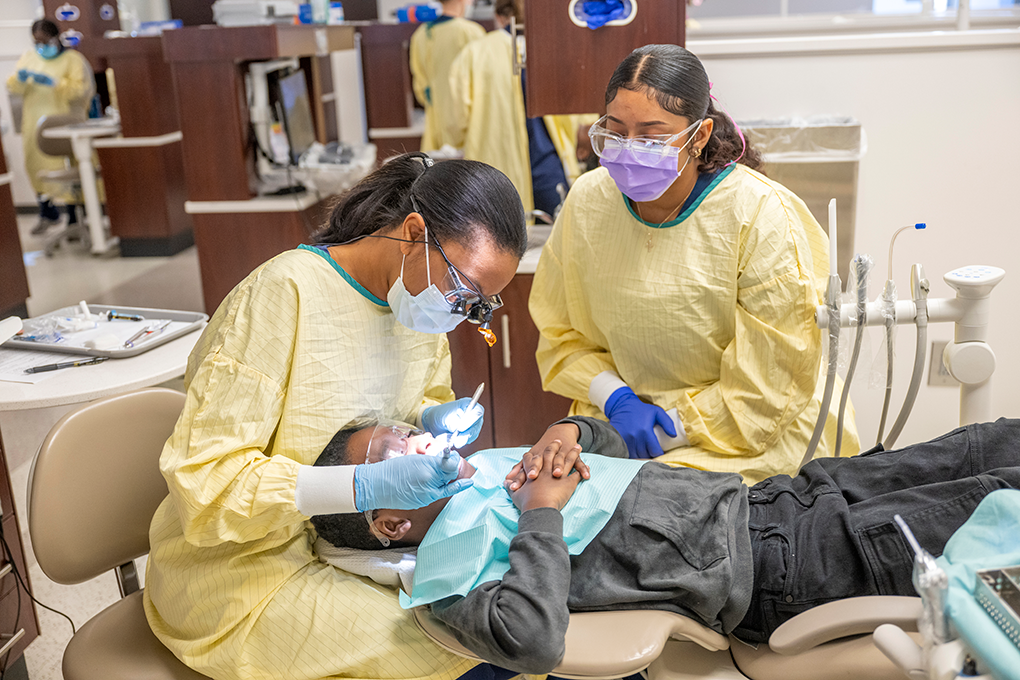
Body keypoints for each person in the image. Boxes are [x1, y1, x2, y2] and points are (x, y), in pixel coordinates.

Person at [143, 153, 528, 680]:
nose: (461, 312)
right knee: (464, 648)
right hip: (245, 574)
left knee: (508, 612)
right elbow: (205, 486)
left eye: (479, 305)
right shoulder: (284, 295)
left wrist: (433, 418)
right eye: (463, 292)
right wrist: (359, 486)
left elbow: (415, 399)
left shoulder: (416, 306)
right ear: (415, 233)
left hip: (350, 549)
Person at [312, 417, 1020, 675]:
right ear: (390, 522)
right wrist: (542, 514)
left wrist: (571, 432)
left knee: (991, 444)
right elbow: (528, 639)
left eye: (404, 427)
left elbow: (615, 454)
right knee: (997, 497)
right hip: (784, 567)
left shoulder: (485, 473)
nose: (418, 437)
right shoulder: (445, 581)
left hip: (780, 496)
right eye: (395, 449)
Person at [529, 44, 860, 483]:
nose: (629, 151)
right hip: (625, 421)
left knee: (650, 520)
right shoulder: (590, 199)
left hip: (752, 436)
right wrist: (615, 400)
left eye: (650, 136)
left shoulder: (760, 214)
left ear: (698, 136)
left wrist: (664, 433)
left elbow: (768, 388)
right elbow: (560, 329)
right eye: (616, 131)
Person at [447, 0, 590, 217]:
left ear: (498, 15)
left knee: (500, 235)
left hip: (494, 169)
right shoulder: (556, 48)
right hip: (549, 167)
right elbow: (579, 114)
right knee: (556, 231)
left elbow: (456, 122)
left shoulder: (474, 53)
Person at [6, 19, 94, 234]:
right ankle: (47, 212)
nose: (42, 46)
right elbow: (13, 86)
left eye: (45, 41)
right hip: (34, 124)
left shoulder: (73, 60)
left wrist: (55, 83)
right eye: (37, 42)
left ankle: (74, 215)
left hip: (65, 124)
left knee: (67, 168)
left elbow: (80, 91)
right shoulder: (29, 57)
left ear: (56, 37)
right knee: (36, 167)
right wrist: (20, 79)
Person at [409, 0, 485, 152]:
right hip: (469, 122)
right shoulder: (471, 32)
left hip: (435, 123)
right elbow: (484, 80)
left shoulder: (420, 34)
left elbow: (420, 86)